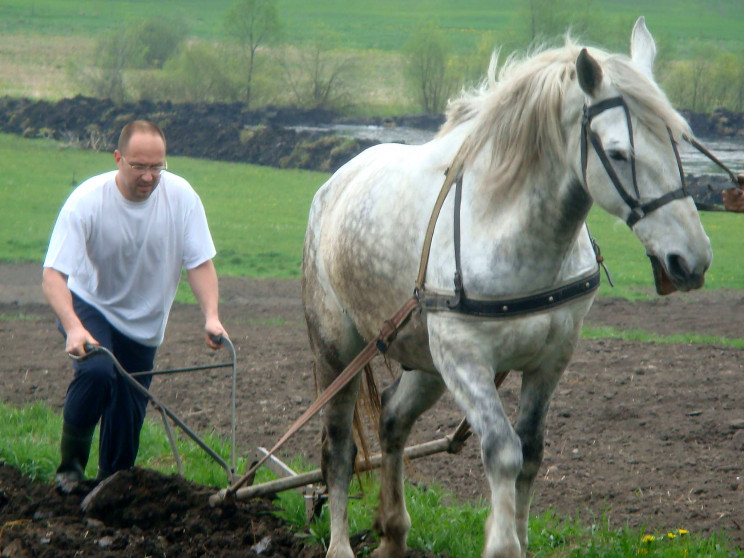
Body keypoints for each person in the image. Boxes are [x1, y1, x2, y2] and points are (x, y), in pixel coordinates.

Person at [42, 120, 228, 491]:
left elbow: (200, 264)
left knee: (127, 417)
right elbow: (53, 275)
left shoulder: (182, 197)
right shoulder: (87, 201)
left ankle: (110, 487)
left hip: (145, 324)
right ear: (118, 158)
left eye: (157, 167)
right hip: (90, 304)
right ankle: (70, 471)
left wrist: (211, 316)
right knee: (96, 371)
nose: (148, 177)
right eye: (138, 166)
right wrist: (74, 327)